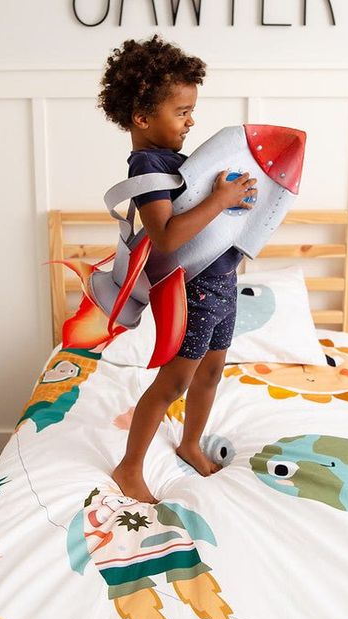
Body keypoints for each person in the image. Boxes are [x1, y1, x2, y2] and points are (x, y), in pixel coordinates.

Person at [97, 35, 257, 504]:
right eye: (182, 112)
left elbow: (206, 220)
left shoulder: (179, 160)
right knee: (176, 381)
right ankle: (129, 468)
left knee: (211, 373)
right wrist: (219, 199)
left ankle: (189, 443)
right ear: (143, 118)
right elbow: (166, 236)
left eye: (191, 110)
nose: (192, 120)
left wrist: (233, 198)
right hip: (196, 289)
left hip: (223, 282)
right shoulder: (147, 164)